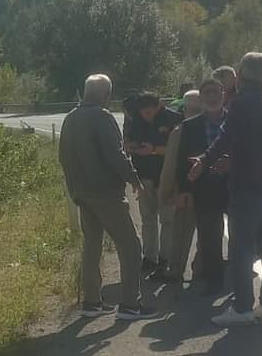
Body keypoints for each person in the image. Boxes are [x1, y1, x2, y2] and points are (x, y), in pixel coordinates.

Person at [189, 52, 262, 326]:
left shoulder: (241, 104)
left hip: (248, 189)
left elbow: (225, 138)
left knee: (242, 250)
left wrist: (204, 160)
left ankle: (243, 307)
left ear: (241, 74)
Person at [59, 74, 148, 320]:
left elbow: (63, 156)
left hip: (82, 193)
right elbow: (115, 155)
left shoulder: (70, 118)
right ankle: (131, 304)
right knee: (131, 246)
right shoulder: (103, 117)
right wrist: (134, 180)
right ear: (106, 94)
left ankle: (92, 301)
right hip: (106, 192)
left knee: (92, 246)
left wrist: (74, 187)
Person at [177, 78, 228, 293]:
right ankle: (215, 281)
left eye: (216, 92)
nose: (212, 97)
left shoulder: (236, 121)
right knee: (210, 236)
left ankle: (238, 279)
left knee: (243, 236)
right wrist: (185, 190)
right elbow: (181, 161)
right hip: (205, 188)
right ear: (201, 97)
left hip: (236, 186)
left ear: (223, 94)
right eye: (207, 93)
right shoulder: (190, 126)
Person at [124, 91, 181, 274]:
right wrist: (132, 146)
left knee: (167, 220)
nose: (145, 116)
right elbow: (128, 140)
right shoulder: (136, 120)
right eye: (142, 113)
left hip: (167, 176)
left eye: (149, 112)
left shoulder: (174, 120)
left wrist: (154, 150)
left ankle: (166, 258)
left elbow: (179, 150)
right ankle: (150, 257)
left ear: (159, 107)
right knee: (148, 219)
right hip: (144, 176)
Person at [159, 88, 201, 283]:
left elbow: (170, 166)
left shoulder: (179, 131)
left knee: (181, 233)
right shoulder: (216, 126)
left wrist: (167, 193)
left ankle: (176, 270)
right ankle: (201, 268)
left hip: (185, 191)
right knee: (208, 233)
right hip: (208, 192)